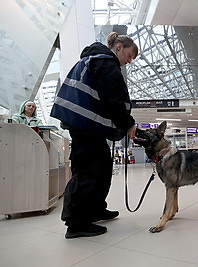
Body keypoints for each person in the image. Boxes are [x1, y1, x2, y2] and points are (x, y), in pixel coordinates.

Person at [50, 32, 138, 239]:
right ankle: (76, 223)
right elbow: (113, 99)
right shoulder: (105, 62)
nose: (128, 61)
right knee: (88, 171)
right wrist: (127, 124)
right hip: (86, 126)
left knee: (103, 168)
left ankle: (96, 209)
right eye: (129, 55)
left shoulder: (95, 60)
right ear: (119, 47)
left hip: (87, 126)